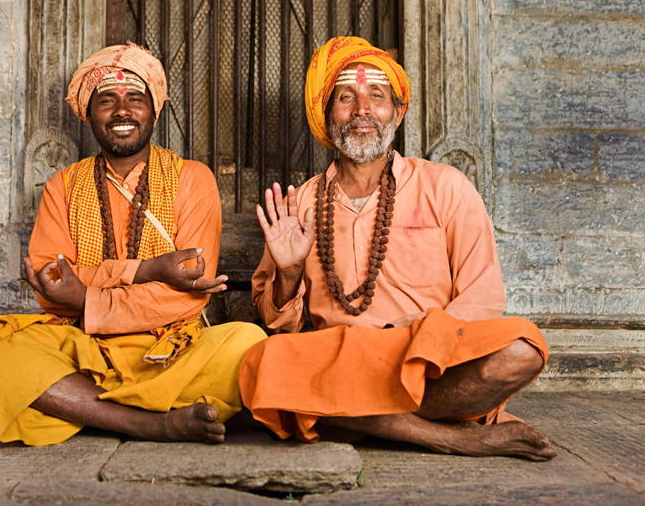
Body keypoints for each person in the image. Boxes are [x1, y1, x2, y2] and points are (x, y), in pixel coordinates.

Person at [238, 37, 556, 461]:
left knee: (524, 347)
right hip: (345, 359)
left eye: (377, 96)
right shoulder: (303, 203)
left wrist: (422, 333)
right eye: (346, 97)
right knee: (263, 362)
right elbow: (279, 325)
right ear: (328, 116)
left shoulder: (445, 187)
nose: (362, 110)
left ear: (398, 112)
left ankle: (356, 417)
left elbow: (484, 298)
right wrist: (290, 272)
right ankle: (450, 436)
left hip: (429, 358)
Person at [0, 42, 265, 447]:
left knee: (247, 343)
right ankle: (150, 422)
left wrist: (86, 295)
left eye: (135, 98)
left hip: (170, 346)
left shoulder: (193, 178)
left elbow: (188, 294)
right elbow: (52, 286)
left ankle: (81, 407)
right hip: (81, 343)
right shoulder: (62, 186)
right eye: (107, 100)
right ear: (89, 114)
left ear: (154, 111)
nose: (122, 111)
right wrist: (149, 270)